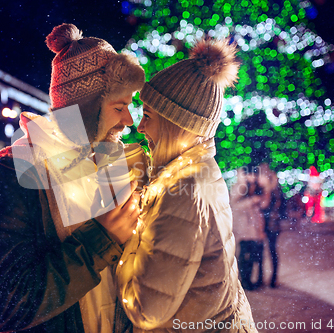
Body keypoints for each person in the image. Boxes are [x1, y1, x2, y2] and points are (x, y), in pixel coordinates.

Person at [0, 23, 145, 333]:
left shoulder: (110, 165)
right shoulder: (16, 172)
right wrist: (101, 241)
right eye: (119, 106)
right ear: (84, 108)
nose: (128, 120)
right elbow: (5, 305)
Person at [114, 38, 257, 332]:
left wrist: (121, 243)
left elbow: (145, 311)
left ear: (175, 124)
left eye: (149, 117)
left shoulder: (183, 191)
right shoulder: (198, 170)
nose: (139, 128)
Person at [231, 168, 266, 291]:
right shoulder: (239, 188)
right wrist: (250, 200)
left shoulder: (255, 188)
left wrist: (260, 231)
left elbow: (261, 209)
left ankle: (248, 280)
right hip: (243, 230)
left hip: (253, 231)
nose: (253, 178)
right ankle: (244, 281)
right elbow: (234, 206)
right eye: (250, 175)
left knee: (251, 257)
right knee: (243, 256)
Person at [259, 165, 285, 289]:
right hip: (261, 225)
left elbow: (274, 209)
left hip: (271, 226)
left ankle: (273, 279)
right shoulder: (262, 191)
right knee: (260, 252)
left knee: (271, 251)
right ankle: (261, 278)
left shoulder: (274, 192)